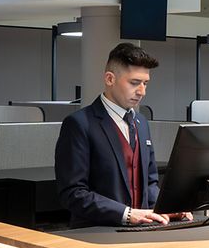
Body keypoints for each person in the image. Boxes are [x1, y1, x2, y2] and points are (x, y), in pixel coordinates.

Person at [54, 43, 189, 229]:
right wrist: (127, 214)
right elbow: (72, 193)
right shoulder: (79, 124)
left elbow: (150, 183)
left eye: (145, 83)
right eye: (134, 83)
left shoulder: (141, 123)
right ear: (110, 79)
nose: (142, 91)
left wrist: (169, 208)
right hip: (96, 233)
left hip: (142, 232)